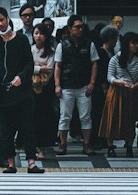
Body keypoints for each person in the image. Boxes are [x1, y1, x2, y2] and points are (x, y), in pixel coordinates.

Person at [0, 5, 42, 172]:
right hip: (3, 93)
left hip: (23, 92)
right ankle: (11, 162)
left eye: (2, 20)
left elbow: (29, 64)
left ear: (7, 19)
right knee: (6, 130)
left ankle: (31, 162)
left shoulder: (21, 39)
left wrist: (21, 77)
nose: (0, 24)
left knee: (27, 127)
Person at [54, 13, 97, 154]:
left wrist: (92, 82)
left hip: (84, 86)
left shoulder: (89, 44)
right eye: (77, 27)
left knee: (85, 116)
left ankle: (86, 144)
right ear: (69, 28)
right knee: (64, 116)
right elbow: (58, 66)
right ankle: (63, 144)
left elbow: (94, 64)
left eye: (82, 27)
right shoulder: (62, 45)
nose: (80, 30)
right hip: (67, 86)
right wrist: (57, 85)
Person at [100, 30, 138, 156]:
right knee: (112, 118)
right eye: (133, 43)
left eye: (137, 43)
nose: (136, 46)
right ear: (127, 44)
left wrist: (136, 85)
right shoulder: (115, 59)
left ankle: (129, 145)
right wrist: (119, 82)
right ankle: (110, 146)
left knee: (130, 120)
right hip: (116, 91)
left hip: (131, 92)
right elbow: (109, 76)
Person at [31, 22, 57, 157]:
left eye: (41, 33)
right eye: (36, 33)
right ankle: (31, 146)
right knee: (31, 117)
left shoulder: (51, 51)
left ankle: (42, 148)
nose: (38, 36)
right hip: (31, 88)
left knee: (44, 118)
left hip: (46, 88)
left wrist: (36, 68)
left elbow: (50, 69)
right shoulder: (29, 50)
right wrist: (40, 68)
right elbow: (27, 67)